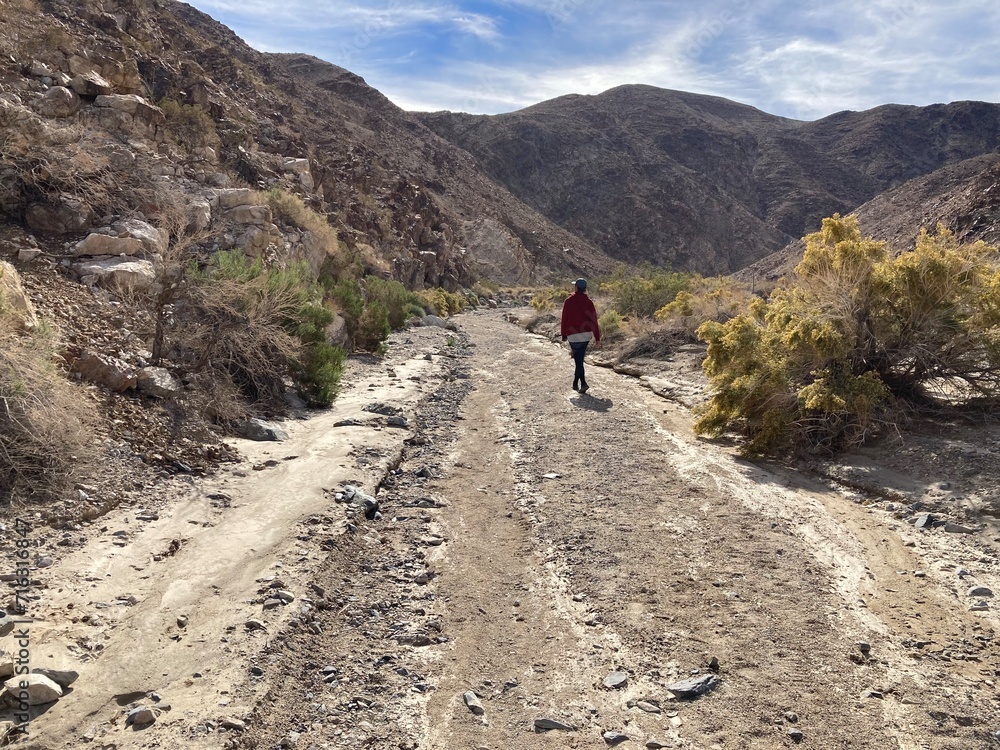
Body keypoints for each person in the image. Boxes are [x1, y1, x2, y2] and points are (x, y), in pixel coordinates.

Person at [560, 278, 601, 393]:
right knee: (579, 358)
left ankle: (583, 383)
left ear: (576, 287)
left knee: (578, 360)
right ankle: (574, 383)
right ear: (585, 289)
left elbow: (564, 319)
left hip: (573, 335)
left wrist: (563, 334)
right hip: (586, 335)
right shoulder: (589, 302)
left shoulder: (568, 301)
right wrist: (597, 337)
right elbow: (593, 321)